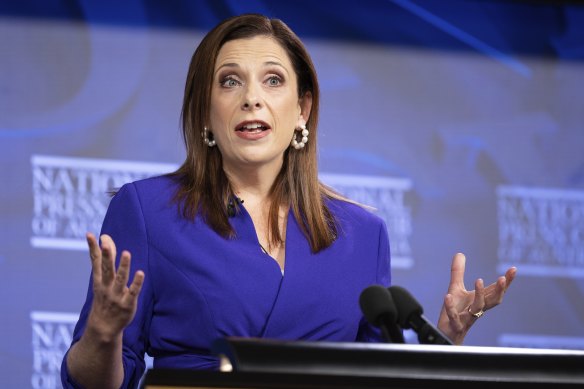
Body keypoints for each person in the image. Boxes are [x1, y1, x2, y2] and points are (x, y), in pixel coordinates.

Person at [61, 13, 517, 389]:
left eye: (273, 80)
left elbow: (379, 380)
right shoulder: (147, 212)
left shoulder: (361, 235)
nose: (252, 99)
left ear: (303, 109)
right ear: (205, 110)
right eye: (229, 82)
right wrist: (103, 331)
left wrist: (445, 346)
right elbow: (91, 385)